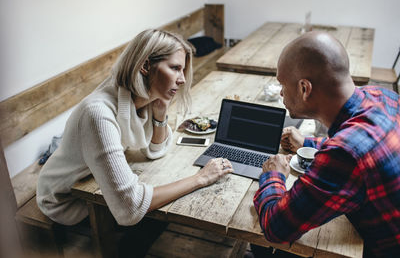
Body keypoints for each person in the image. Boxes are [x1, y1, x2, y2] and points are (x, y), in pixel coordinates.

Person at [37, 29, 233, 227]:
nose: (182, 79)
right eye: (175, 68)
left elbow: (156, 150)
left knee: (170, 205)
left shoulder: (141, 96)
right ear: (145, 65)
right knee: (168, 218)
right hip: (68, 201)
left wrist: (160, 113)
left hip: (94, 183)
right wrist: (201, 178)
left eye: (182, 70)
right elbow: (129, 208)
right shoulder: (97, 114)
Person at [253, 31, 400, 257]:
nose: (281, 92)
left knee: (266, 247)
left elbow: (276, 228)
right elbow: (360, 147)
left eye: (282, 84)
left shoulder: (344, 154)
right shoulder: (383, 96)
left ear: (304, 89)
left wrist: (273, 175)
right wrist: (308, 142)